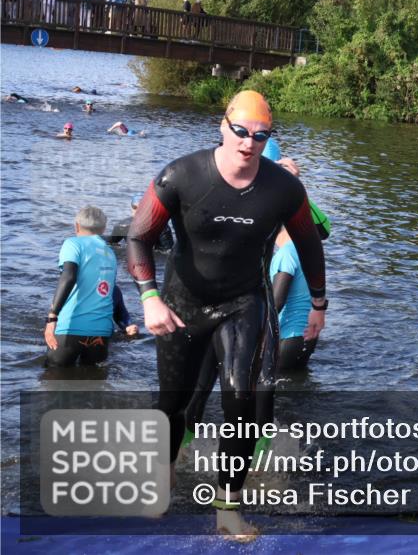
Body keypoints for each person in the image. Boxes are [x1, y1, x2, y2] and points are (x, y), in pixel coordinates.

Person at [126, 90, 326, 539]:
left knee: (240, 402)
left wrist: (318, 304)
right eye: (240, 131)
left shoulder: (284, 188)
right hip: (182, 303)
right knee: (173, 403)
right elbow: (138, 237)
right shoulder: (182, 174)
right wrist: (149, 297)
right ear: (223, 125)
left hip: (243, 301)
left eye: (260, 135)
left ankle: (227, 509)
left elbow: (311, 244)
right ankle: (163, 472)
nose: (248, 143)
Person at [44, 206, 130, 366]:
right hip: (101, 333)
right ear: (103, 228)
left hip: (70, 329)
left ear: (76, 225)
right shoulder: (110, 253)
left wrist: (52, 317)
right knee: (92, 383)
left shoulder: (72, 244)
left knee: (52, 382)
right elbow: (110, 292)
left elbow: (68, 277)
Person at [270, 227, 319, 370]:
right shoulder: (308, 251)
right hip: (308, 336)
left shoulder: (285, 254)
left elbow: (277, 301)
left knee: (273, 388)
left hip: (288, 337)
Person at [105, 193, 173, 251]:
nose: (138, 211)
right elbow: (109, 244)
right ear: (131, 208)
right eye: (135, 207)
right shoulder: (122, 227)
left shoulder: (162, 227)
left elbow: (168, 253)